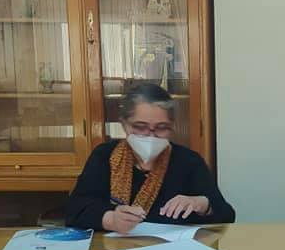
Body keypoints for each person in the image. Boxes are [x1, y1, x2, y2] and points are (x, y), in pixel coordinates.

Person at [65, 83, 235, 232]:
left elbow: (227, 215)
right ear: (124, 124)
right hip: (113, 249)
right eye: (140, 127)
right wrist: (110, 219)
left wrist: (203, 204)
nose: (151, 135)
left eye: (161, 127)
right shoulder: (104, 156)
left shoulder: (189, 162)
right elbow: (74, 211)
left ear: (172, 127)